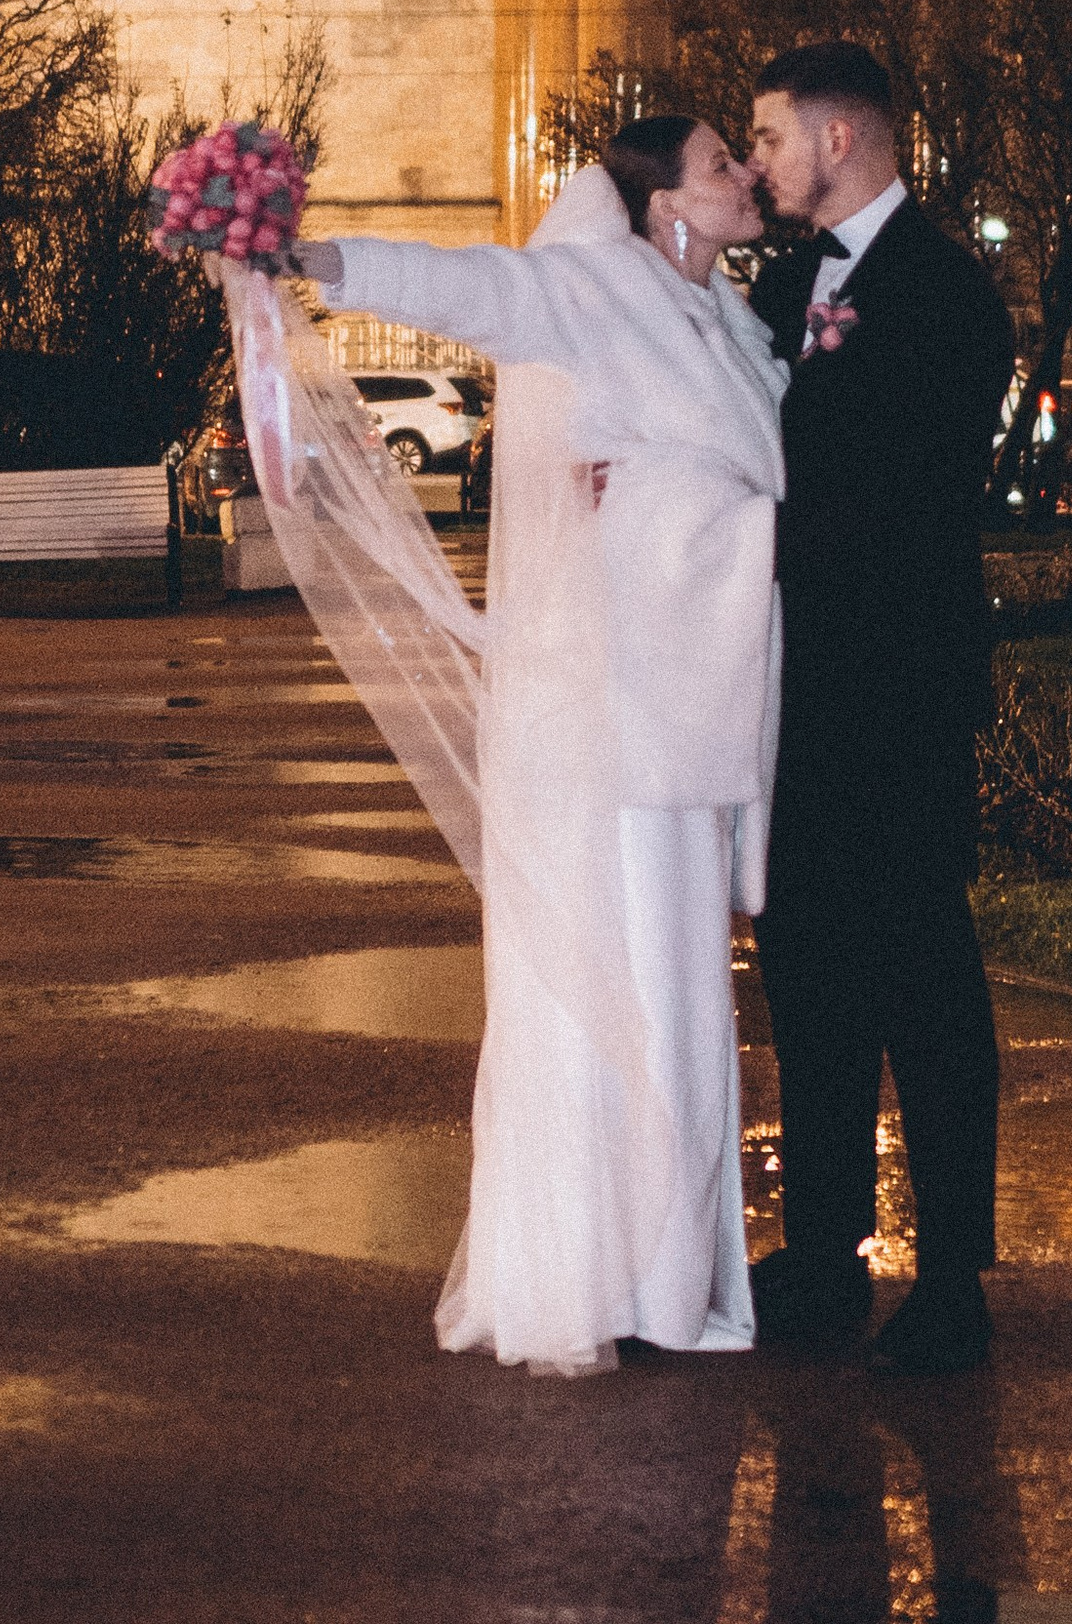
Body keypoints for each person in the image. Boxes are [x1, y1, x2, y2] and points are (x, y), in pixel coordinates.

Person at [263, 115, 785, 1371]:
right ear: (661, 203)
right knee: (628, 984)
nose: (746, 178)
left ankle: (671, 1276)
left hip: (695, 701)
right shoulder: (594, 289)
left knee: (682, 996)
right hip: (616, 721)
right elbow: (472, 288)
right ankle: (607, 1274)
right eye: (720, 165)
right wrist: (312, 254)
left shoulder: (741, 322)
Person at [742, 38, 1015, 1376]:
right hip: (789, 698)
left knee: (925, 983)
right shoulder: (784, 282)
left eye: (773, 139)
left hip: (897, 694)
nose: (759, 164)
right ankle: (824, 1250)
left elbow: (897, 494)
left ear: (839, 139)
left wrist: (754, 517)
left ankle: (955, 1273)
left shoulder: (951, 298)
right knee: (808, 977)